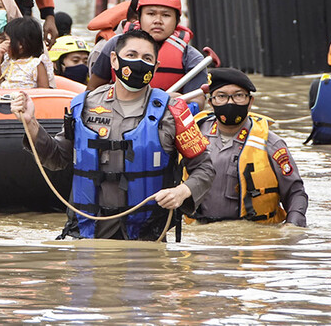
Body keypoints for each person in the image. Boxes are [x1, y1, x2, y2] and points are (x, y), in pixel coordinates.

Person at [12, 30, 216, 240]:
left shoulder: (173, 110)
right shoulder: (85, 105)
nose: (139, 63)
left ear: (155, 68)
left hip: (147, 237)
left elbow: (204, 168)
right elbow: (57, 158)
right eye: (131, 55)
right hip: (87, 233)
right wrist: (31, 123)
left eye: (147, 59)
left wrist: (182, 192)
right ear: (114, 60)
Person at [188, 68, 308, 226]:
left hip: (252, 235)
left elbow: (295, 192)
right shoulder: (192, 137)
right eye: (222, 96)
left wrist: (293, 226)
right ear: (211, 103)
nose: (230, 102)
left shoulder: (271, 143)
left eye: (238, 96)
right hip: (201, 235)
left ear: (250, 101)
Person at [88, 0, 207, 111]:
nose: (158, 21)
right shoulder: (115, 45)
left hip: (165, 120)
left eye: (166, 15)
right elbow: (92, 90)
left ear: (177, 21)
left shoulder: (191, 57)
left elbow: (197, 103)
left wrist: (172, 103)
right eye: (151, 14)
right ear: (139, 17)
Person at [0, 17, 55, 90]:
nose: (4, 43)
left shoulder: (35, 64)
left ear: (20, 44)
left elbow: (44, 88)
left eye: (7, 40)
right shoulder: (9, 60)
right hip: (6, 97)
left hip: (25, 99)